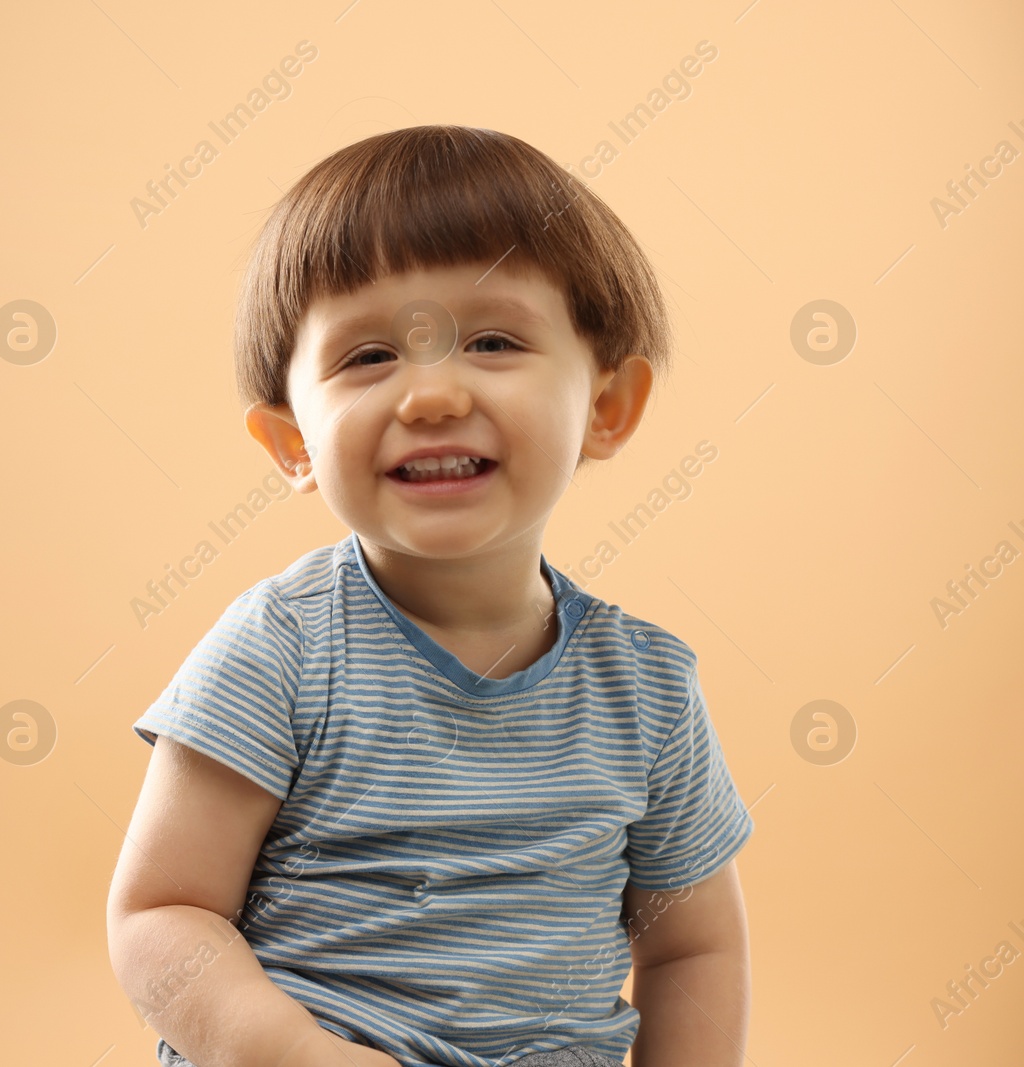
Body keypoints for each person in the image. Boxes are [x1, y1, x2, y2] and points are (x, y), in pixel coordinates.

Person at [106, 125, 754, 1067]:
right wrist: (292, 1054)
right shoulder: (281, 648)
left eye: (492, 340)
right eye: (368, 357)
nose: (432, 396)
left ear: (607, 408)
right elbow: (161, 911)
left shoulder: (644, 690)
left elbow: (695, 945)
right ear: (292, 442)